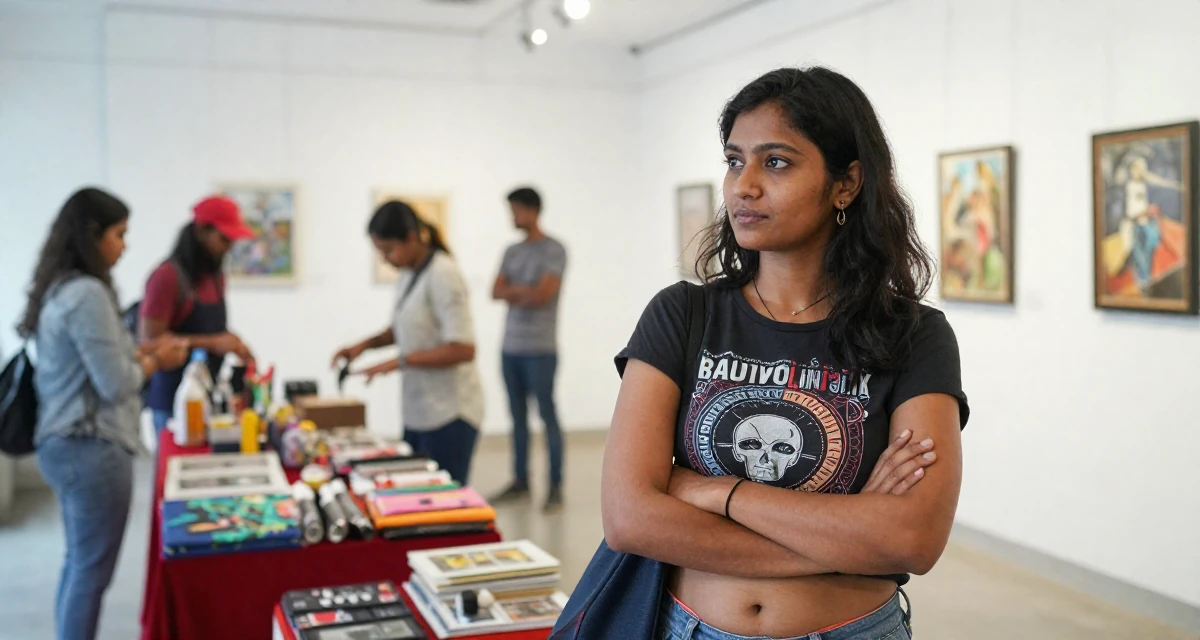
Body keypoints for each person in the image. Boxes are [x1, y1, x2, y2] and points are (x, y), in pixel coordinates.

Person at [602, 67, 969, 640]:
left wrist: (712, 491)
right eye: (733, 160)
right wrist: (850, 539)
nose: (743, 185)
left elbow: (912, 540)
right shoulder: (682, 315)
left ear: (845, 184)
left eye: (776, 162)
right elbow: (629, 519)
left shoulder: (914, 334)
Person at [18, 188, 189, 640]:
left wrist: (140, 352)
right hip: (91, 447)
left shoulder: (60, 289)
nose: (124, 245)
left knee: (79, 564)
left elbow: (96, 366)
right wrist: (156, 361)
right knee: (91, 574)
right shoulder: (88, 294)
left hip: (65, 443)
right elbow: (116, 383)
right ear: (92, 235)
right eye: (119, 234)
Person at [332, 201, 484, 485]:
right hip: (419, 411)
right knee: (414, 492)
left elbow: (464, 348)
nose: (385, 259)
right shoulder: (409, 274)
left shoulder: (443, 274)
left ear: (412, 238)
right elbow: (403, 329)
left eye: (388, 250)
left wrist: (401, 361)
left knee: (443, 502)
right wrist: (363, 346)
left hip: (450, 414)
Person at [140, 195, 256, 431]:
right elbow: (149, 341)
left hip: (209, 394)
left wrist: (234, 343)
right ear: (202, 231)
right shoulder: (167, 277)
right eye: (224, 239)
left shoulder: (215, 276)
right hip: (174, 401)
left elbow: (210, 328)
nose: (229, 248)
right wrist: (212, 343)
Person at [489, 187, 568, 512]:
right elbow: (495, 291)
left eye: (515, 210)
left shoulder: (554, 250)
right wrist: (527, 291)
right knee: (517, 418)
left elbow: (544, 295)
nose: (512, 217)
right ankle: (520, 482)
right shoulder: (511, 250)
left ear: (531, 210)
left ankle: (554, 487)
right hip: (510, 348)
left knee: (547, 416)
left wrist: (514, 291)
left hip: (540, 349)